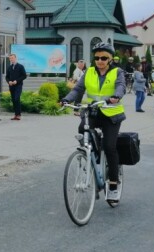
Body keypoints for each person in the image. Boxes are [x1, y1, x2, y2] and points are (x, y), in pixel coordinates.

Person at [60, 42, 125, 203]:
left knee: (110, 147)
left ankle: (113, 185)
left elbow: (121, 87)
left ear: (110, 59)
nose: (100, 61)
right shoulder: (88, 72)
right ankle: (91, 155)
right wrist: (66, 99)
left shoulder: (117, 72)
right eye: (97, 58)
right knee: (82, 128)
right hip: (93, 112)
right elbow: (78, 89)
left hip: (111, 114)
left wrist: (116, 96)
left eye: (104, 58)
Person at [5, 53, 27, 120]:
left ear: (15, 58)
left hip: (18, 86)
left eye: (12, 58)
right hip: (11, 86)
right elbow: (7, 77)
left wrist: (16, 81)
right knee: (14, 100)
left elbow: (24, 76)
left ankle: (18, 114)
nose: (11, 59)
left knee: (17, 98)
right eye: (10, 58)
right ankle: (16, 114)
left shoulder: (20, 66)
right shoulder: (9, 67)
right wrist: (9, 81)